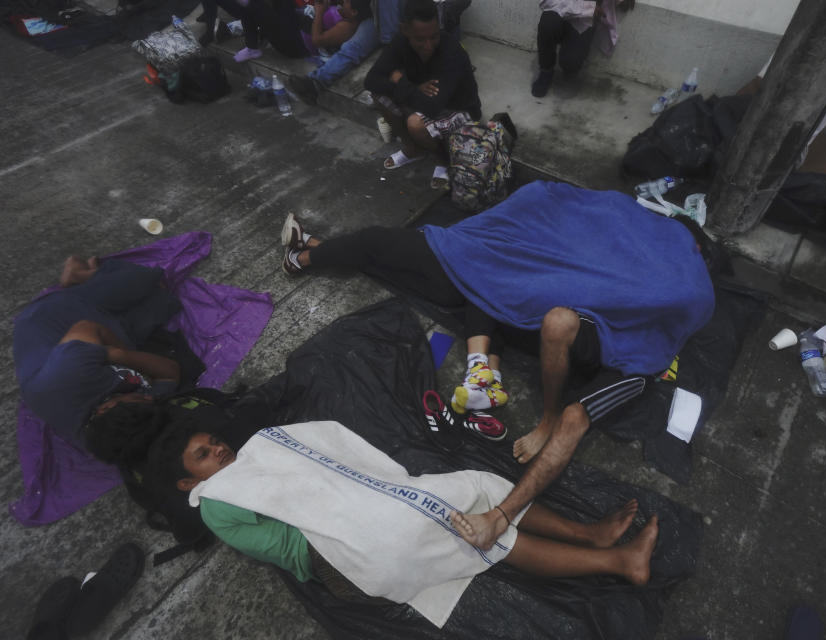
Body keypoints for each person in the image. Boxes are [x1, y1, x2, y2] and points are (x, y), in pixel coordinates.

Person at [278, 180, 718, 550]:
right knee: (398, 253)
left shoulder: (676, 278)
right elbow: (571, 213)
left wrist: (502, 514)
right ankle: (309, 252)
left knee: (565, 394)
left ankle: (306, 254)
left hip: (565, 317)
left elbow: (683, 300)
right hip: (496, 269)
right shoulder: (634, 224)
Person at [153, 417, 659, 627]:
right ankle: (615, 560)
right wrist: (357, 503)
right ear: (187, 483)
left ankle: (589, 535)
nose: (217, 448)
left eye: (212, 441)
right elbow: (294, 538)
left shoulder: (248, 460)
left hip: (356, 517)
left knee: (474, 488)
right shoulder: (218, 498)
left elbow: (320, 462)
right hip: (339, 556)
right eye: (203, 454)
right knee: (462, 523)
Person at [13, 256, 183, 450]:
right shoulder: (123, 427)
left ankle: (79, 275)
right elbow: (170, 373)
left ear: (105, 408)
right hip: (97, 347)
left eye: (140, 398)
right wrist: (122, 358)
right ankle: (96, 283)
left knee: (147, 278)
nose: (149, 397)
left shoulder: (67, 375)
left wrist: (119, 354)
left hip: (54, 317)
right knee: (163, 300)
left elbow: (88, 328)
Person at [363, 0, 481, 187]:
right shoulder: (399, 41)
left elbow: (433, 107)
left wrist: (402, 82)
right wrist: (413, 88)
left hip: (459, 108)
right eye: (420, 39)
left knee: (416, 124)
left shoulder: (451, 51)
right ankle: (414, 149)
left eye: (434, 37)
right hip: (424, 98)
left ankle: (445, 160)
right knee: (378, 97)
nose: (428, 45)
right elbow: (370, 81)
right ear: (405, 30)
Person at [532, 0, 635, 98]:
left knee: (571, 61)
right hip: (559, 11)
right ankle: (546, 70)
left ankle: (570, 72)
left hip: (583, 21)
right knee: (548, 25)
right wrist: (589, 8)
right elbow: (548, 2)